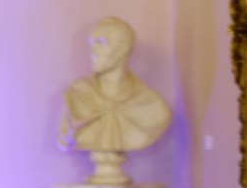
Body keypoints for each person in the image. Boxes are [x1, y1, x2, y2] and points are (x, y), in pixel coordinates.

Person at [57, 15, 172, 154]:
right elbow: (66, 136)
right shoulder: (78, 96)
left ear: (123, 49)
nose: (93, 51)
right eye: (91, 44)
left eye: (100, 42)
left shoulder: (152, 106)